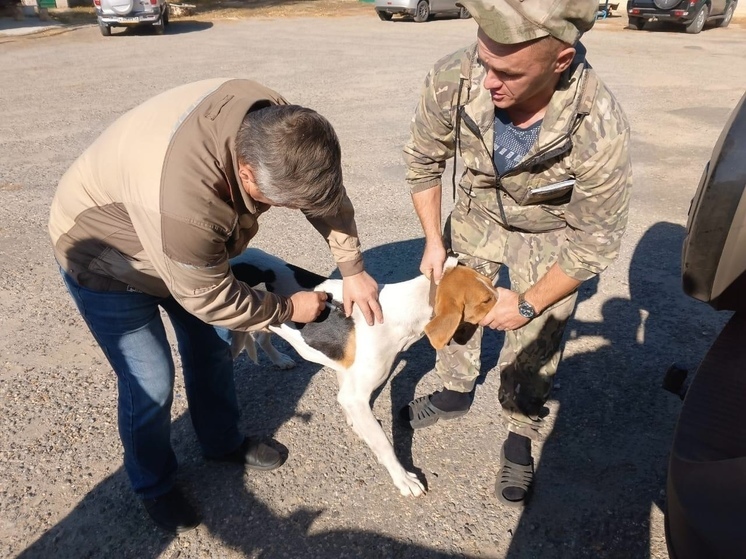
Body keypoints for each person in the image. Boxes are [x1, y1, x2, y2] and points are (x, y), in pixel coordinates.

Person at [48, 78, 383, 533]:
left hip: (180, 245)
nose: (288, 210)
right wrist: (287, 309)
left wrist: (353, 267)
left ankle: (221, 442)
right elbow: (210, 298)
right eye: (282, 203)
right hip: (106, 257)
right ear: (246, 175)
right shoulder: (186, 206)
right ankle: (154, 484)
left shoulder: (282, 127)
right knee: (150, 378)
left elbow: (324, 196)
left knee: (211, 348)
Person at [403, 0, 632, 506]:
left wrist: (526, 303)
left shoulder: (599, 124)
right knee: (455, 307)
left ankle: (520, 427)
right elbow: (423, 161)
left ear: (561, 61)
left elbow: (595, 243)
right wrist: (433, 240)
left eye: (506, 71)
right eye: (485, 61)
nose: (488, 81)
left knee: (536, 334)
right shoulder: (457, 76)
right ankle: (457, 389)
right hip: (477, 213)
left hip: (550, 229)